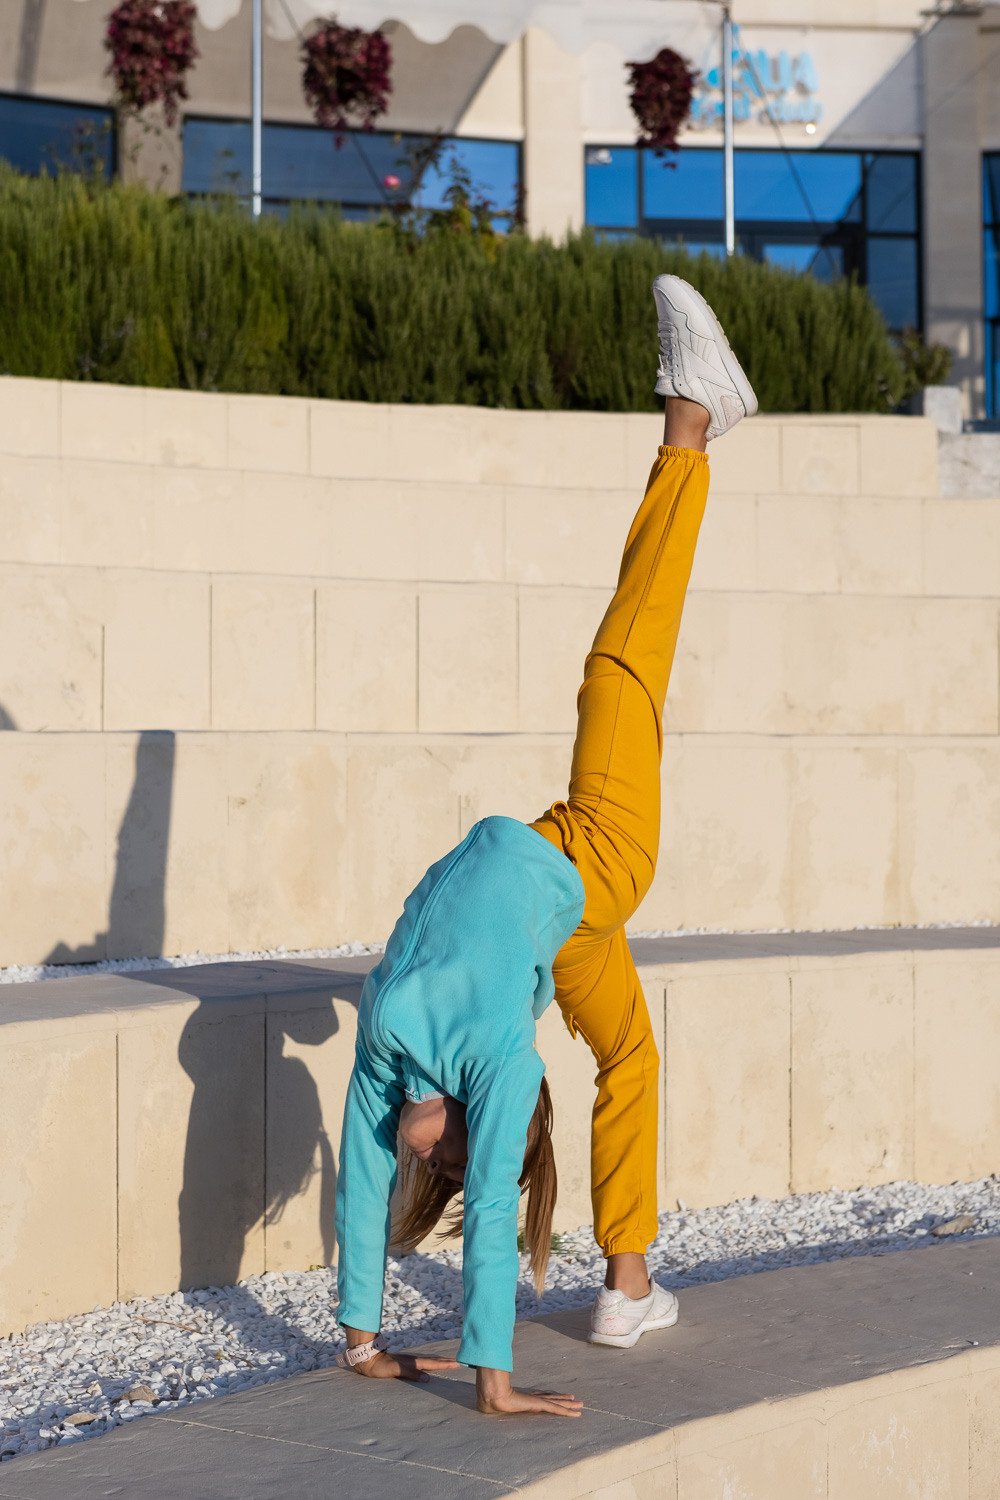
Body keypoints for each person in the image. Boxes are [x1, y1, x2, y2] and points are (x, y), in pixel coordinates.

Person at [334, 276, 758, 1418]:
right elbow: (482, 1255)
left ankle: (628, 1284)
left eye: (426, 1163)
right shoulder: (492, 1063)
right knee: (620, 666)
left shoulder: (390, 1056)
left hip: (560, 915)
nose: (417, 1156)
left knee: (628, 1054)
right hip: (590, 855)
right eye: (450, 1162)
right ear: (480, 1127)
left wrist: (362, 1337)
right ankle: (693, 421)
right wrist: (493, 1381)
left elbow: (361, 1185)